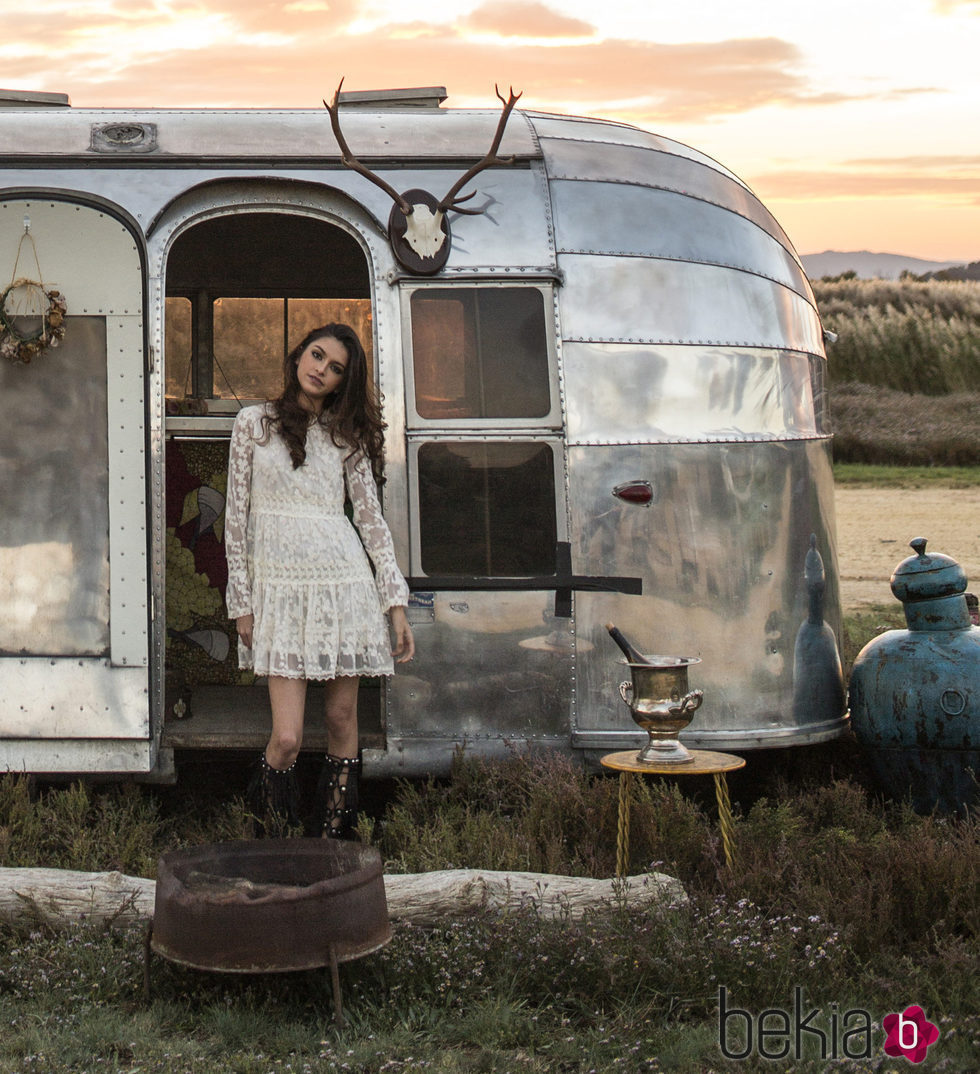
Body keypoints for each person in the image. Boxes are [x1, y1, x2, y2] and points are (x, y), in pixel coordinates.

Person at [224, 323, 414, 838]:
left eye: (335, 370)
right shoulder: (252, 424)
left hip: (342, 584)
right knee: (285, 737)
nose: (321, 371)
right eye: (317, 356)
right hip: (279, 592)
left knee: (340, 719)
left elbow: (370, 519)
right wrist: (241, 600)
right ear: (298, 355)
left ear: (341, 384)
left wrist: (394, 601)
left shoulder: (343, 437)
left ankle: (332, 837)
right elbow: (235, 519)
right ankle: (271, 837)